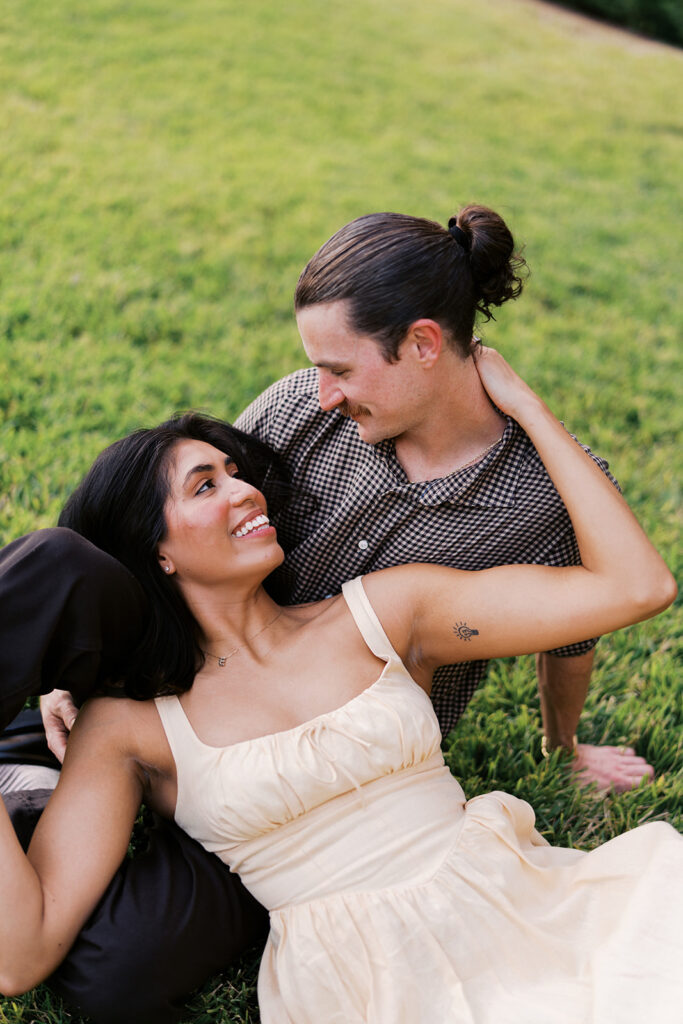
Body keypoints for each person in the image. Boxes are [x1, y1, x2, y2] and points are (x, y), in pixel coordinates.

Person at [0, 204, 662, 1021]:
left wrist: (560, 742)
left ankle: (33, 777)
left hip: (359, 765)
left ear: (423, 344)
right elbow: (158, 508)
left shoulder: (432, 579)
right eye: (214, 480)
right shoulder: (296, 414)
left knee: (116, 973)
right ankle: (28, 739)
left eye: (340, 369)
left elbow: (614, 601)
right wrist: (74, 669)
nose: (320, 394)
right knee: (59, 567)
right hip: (191, 692)